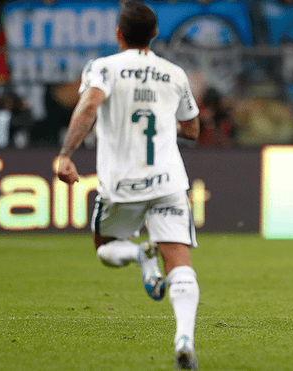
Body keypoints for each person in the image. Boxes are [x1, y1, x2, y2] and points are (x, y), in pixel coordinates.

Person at [53, 2, 201, 369]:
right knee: (179, 263)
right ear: (154, 35)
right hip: (168, 180)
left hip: (122, 185)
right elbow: (194, 131)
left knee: (106, 249)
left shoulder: (102, 67)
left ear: (118, 33)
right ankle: (184, 337)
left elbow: (89, 107)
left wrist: (66, 153)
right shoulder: (174, 73)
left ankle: (138, 254)